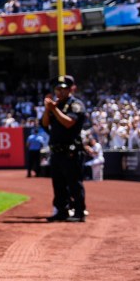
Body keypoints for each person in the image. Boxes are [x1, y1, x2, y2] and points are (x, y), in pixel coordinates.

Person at [42, 74, 88, 222]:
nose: (59, 92)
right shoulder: (56, 105)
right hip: (56, 151)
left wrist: (54, 110)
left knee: (74, 183)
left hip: (71, 152)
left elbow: (69, 123)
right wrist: (47, 109)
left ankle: (79, 212)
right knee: (58, 185)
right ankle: (62, 211)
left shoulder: (75, 104)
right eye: (57, 89)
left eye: (63, 89)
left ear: (70, 90)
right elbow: (44, 124)